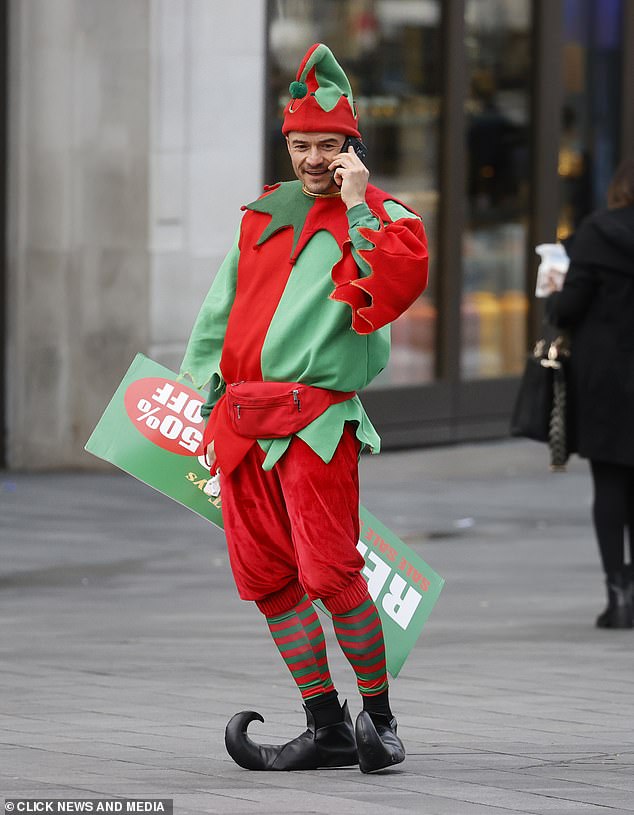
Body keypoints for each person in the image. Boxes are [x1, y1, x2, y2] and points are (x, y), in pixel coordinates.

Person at [179, 43, 429, 771]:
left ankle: (378, 721)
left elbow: (398, 279)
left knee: (329, 572)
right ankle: (325, 723)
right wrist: (202, 392)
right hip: (241, 423)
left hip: (315, 422)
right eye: (302, 145)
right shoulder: (262, 213)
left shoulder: (384, 215)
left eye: (328, 144)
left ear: (352, 147)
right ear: (286, 144)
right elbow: (218, 307)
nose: (314, 158)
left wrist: (357, 203)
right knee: (266, 577)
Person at [544, 157, 634, 630]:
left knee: (611, 485)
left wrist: (556, 291)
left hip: (607, 377)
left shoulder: (598, 232)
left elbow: (569, 308)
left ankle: (619, 599)